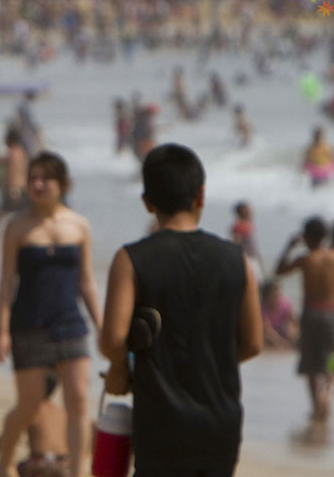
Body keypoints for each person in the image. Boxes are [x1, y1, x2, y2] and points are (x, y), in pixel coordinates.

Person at [101, 143, 262, 477]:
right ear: (200, 195)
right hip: (221, 421)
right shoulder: (237, 259)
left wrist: (121, 370)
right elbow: (252, 343)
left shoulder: (131, 259)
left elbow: (113, 340)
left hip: (161, 421)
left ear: (147, 202)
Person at [0, 151, 99, 477]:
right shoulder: (17, 226)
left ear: (63, 184)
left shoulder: (79, 225)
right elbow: (6, 282)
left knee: (79, 402)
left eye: (45, 179)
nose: (38, 184)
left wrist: (105, 326)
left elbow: (87, 282)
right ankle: (3, 463)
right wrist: (2, 331)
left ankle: (78, 472)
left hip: (71, 324)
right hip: (29, 325)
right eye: (33, 178)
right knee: (29, 404)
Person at [275, 217, 334, 422]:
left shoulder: (305, 259)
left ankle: (316, 406)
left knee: (312, 362)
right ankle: (327, 396)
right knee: (331, 360)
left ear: (305, 237)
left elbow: (279, 271)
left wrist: (289, 246)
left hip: (311, 313)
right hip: (331, 312)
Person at [260, 281, 298, 350]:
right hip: (268, 335)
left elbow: (293, 322)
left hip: (282, 333)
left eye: (278, 294)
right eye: (274, 295)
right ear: (267, 296)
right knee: (265, 339)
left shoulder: (286, 304)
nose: (277, 296)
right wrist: (281, 342)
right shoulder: (262, 308)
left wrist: (291, 331)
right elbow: (267, 330)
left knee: (293, 333)